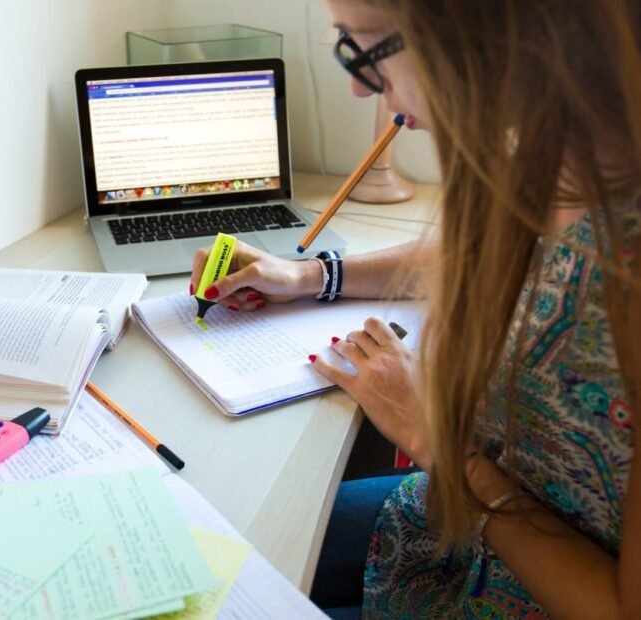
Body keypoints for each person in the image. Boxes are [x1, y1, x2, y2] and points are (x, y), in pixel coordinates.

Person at [189, 0, 641, 617]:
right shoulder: (555, 151)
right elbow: (489, 248)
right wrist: (310, 276)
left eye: (363, 48)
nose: (355, 85)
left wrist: (438, 443)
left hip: (519, 576)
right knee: (212, 544)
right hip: (455, 532)